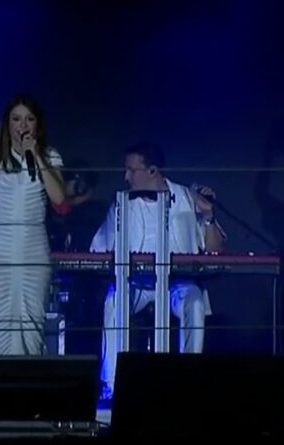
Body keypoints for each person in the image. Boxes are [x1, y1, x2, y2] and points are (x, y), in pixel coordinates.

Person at [90, 143, 223, 397]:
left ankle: (189, 381)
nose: (125, 177)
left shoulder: (187, 198)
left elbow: (216, 250)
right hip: (137, 283)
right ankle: (111, 385)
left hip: (178, 283)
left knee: (193, 301)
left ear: (152, 170)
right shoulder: (121, 204)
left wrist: (208, 216)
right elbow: (98, 251)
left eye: (131, 170)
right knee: (114, 300)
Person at [0, 95, 70, 355]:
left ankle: (31, 387)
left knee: (32, 323)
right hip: (0, 248)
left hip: (34, 245)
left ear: (37, 125)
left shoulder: (50, 156)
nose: (22, 125)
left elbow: (59, 199)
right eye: (16, 119)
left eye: (29, 119)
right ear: (7, 124)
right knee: (1, 325)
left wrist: (35, 154)